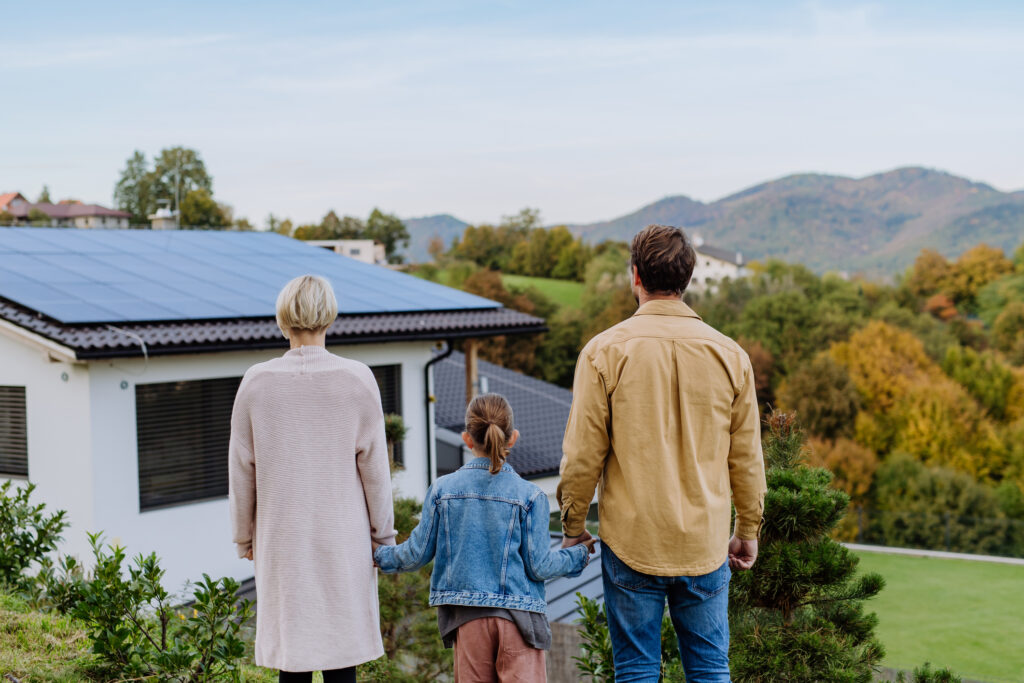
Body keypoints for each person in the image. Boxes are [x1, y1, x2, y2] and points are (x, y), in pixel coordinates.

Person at [557, 224, 767, 683]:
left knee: (636, 671)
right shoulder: (731, 356)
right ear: (686, 279)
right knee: (711, 670)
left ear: (635, 275)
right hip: (704, 543)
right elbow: (747, 457)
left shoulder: (602, 353)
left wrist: (573, 527)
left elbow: (581, 456)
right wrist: (747, 529)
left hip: (632, 542)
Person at [229, 274, 396, 682]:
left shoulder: (256, 382)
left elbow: (241, 467)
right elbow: (375, 470)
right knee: (343, 661)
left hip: (282, 539)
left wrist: (243, 536)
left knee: (293, 659)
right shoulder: (357, 379)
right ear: (329, 317)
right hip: (344, 539)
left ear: (282, 320)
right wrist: (383, 536)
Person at [374, 393, 595, 682]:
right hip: (520, 620)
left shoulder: (443, 490)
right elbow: (540, 566)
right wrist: (577, 554)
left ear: (467, 439)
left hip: (469, 621)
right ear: (512, 438)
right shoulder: (530, 496)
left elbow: (415, 554)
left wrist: (377, 554)